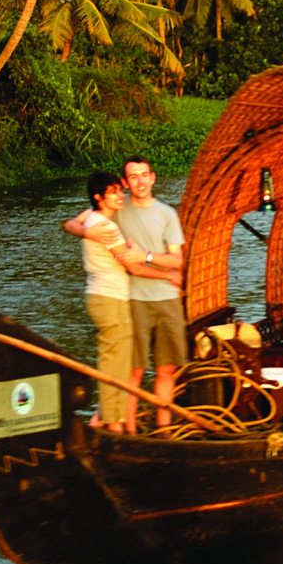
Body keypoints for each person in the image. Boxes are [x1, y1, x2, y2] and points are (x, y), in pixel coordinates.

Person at [62, 172, 178, 432]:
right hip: (109, 298)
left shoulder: (92, 219)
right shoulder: (107, 227)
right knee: (115, 363)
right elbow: (133, 267)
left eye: (119, 190)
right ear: (99, 197)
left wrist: (79, 229)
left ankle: (105, 419)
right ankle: (113, 424)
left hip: (102, 296)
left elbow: (71, 222)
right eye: (113, 191)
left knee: (116, 361)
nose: (120, 195)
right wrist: (168, 274)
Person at [116, 156, 188, 428]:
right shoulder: (118, 212)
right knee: (135, 369)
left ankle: (164, 429)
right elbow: (83, 221)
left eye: (144, 175)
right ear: (125, 183)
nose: (140, 181)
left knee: (166, 369)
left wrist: (145, 255)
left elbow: (176, 260)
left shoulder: (167, 213)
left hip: (167, 299)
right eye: (133, 177)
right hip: (135, 300)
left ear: (153, 177)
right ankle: (129, 429)